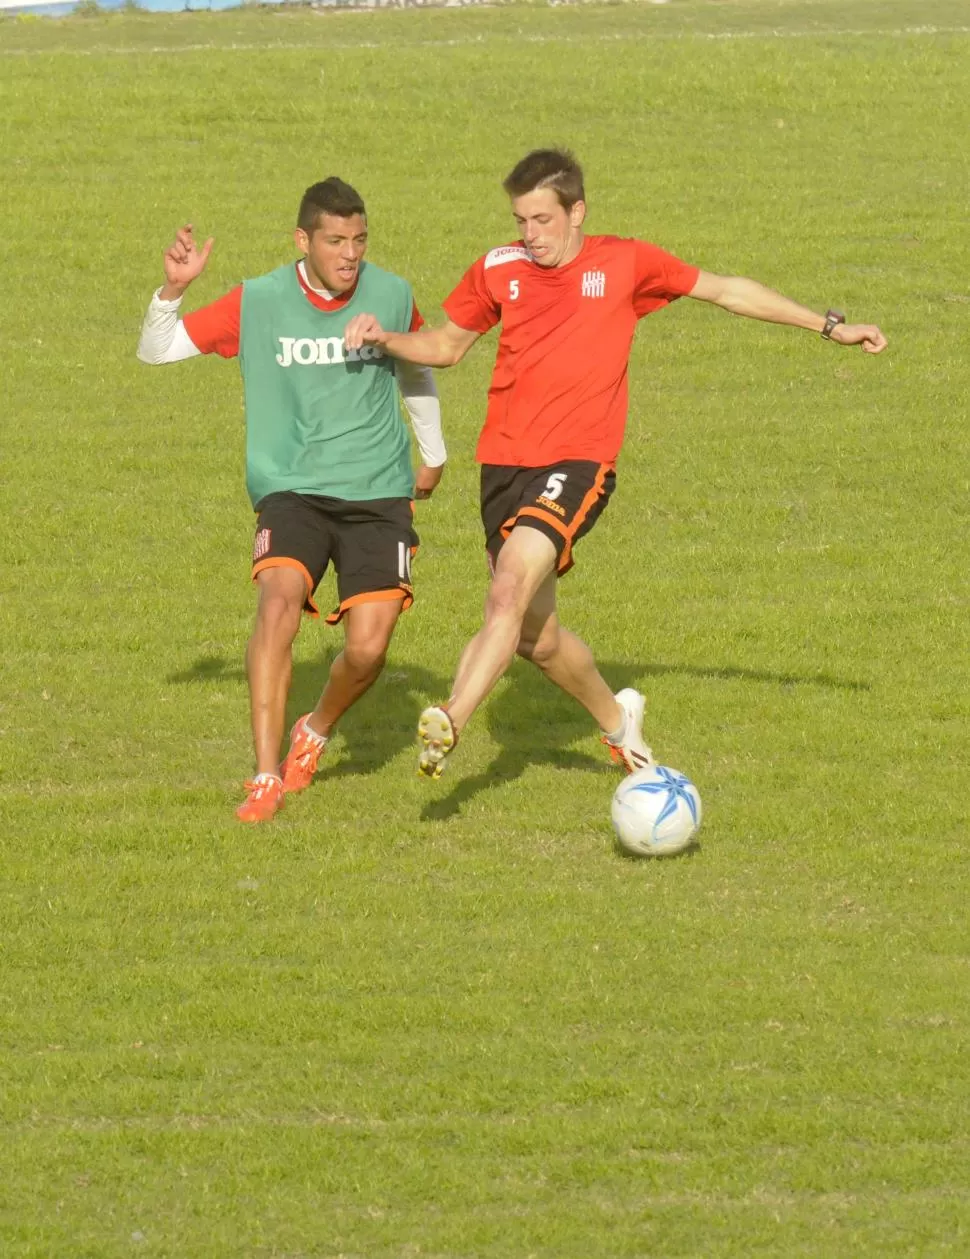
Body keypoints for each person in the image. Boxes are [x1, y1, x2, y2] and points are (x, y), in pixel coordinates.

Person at [343, 148, 887, 780]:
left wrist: (827, 326)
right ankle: (618, 724)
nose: (530, 235)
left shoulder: (626, 262)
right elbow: (447, 345)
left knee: (508, 587)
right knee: (534, 638)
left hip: (577, 461)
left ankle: (452, 717)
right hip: (502, 464)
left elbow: (727, 291)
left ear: (578, 212)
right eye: (521, 221)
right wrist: (387, 339)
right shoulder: (498, 269)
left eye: (543, 220)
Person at [138, 177, 446, 821]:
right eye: (336, 241)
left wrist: (434, 451)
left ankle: (314, 729)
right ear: (303, 240)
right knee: (277, 604)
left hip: (377, 490)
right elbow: (158, 349)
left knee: (367, 649)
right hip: (290, 489)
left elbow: (416, 364)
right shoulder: (259, 300)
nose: (350, 254)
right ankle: (264, 775)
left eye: (359, 240)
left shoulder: (391, 293)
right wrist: (174, 290)